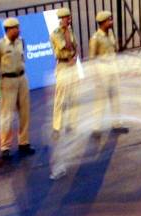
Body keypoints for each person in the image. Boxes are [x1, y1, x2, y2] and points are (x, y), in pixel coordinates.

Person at [0, 18, 35, 160]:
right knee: (7, 115)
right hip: (7, 81)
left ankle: (24, 142)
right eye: (16, 28)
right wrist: (3, 79)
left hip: (22, 79)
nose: (19, 30)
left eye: (18, 27)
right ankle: (5, 147)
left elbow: (23, 59)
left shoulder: (21, 41)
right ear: (8, 30)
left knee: (24, 112)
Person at [89, 11, 127, 135]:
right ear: (103, 23)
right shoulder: (95, 38)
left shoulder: (110, 33)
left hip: (112, 66)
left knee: (115, 96)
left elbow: (113, 49)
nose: (111, 22)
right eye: (109, 20)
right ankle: (96, 127)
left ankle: (116, 123)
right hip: (102, 69)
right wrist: (96, 76)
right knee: (101, 98)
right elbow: (92, 58)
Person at [50, 7, 79, 135]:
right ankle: (57, 126)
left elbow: (75, 46)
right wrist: (66, 30)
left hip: (72, 65)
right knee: (60, 98)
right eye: (66, 17)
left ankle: (72, 124)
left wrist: (76, 56)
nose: (68, 19)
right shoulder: (56, 33)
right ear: (61, 19)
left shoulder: (70, 31)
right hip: (62, 66)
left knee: (74, 96)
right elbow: (67, 45)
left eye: (68, 17)